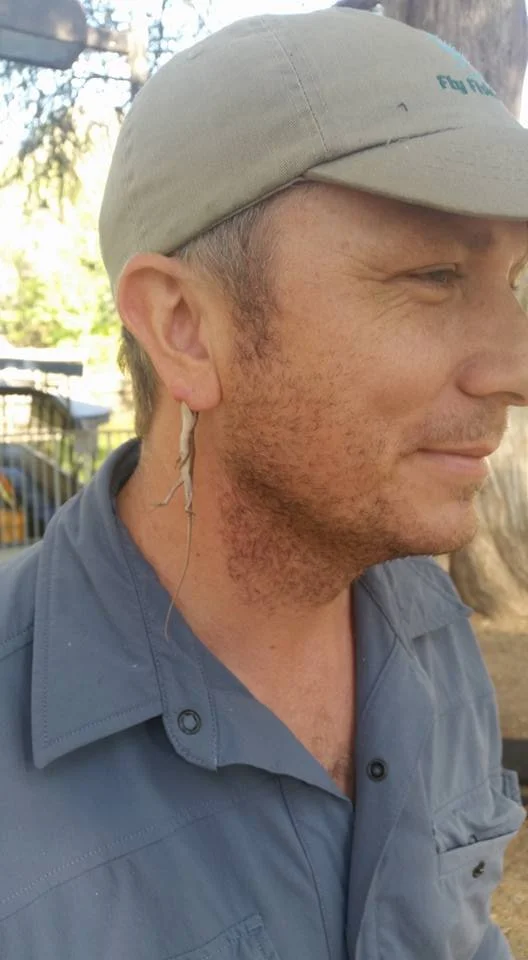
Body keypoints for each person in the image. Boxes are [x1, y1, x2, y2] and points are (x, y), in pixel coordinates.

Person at [1, 6, 527, 959]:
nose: (516, 370)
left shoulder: (430, 633)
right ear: (185, 329)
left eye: (516, 282)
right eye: (435, 275)